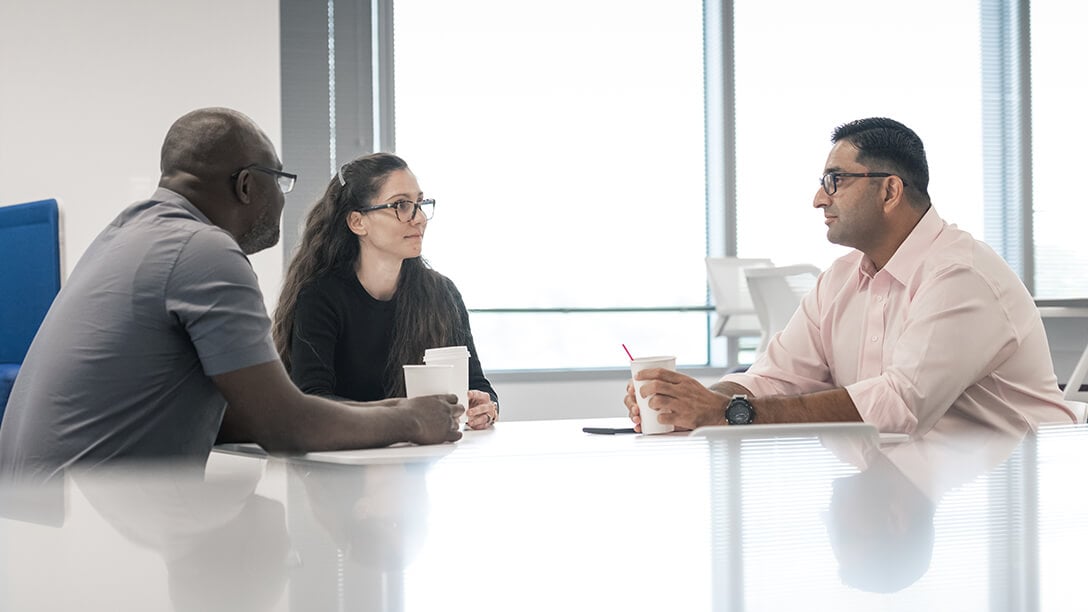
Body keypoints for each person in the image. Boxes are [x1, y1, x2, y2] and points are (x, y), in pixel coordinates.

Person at [0, 108, 463, 485]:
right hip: (81, 531)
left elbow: (239, 419)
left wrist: (398, 408)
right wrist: (410, 421)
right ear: (247, 185)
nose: (285, 200)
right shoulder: (204, 251)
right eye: (280, 183)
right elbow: (283, 425)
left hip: (35, 512)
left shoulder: (128, 234)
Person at [625, 117, 1073, 436]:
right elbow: (775, 376)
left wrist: (730, 412)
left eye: (835, 179)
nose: (819, 198)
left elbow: (900, 405)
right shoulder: (840, 279)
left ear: (890, 190)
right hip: (928, 481)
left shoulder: (960, 275)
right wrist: (688, 401)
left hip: (1026, 480)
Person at [271, 152, 499, 430]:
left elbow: (476, 384)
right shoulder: (320, 298)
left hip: (423, 458)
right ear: (358, 222)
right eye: (401, 205)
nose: (419, 218)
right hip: (344, 463)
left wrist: (483, 406)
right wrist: (406, 415)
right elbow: (313, 401)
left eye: (419, 203)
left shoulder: (442, 293)